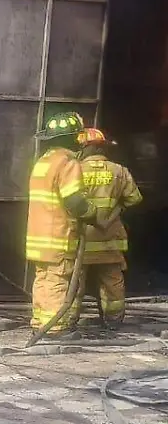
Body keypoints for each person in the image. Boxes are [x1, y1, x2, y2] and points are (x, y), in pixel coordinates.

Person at [27, 112, 97, 336]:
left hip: (37, 237)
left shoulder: (43, 162)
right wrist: (91, 213)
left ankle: (40, 321)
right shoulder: (67, 163)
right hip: (58, 235)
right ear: (74, 138)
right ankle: (55, 327)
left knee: (43, 278)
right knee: (58, 279)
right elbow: (74, 200)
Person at [76, 128, 141, 328]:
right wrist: (117, 208)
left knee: (74, 282)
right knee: (112, 281)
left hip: (80, 240)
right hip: (110, 238)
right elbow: (135, 198)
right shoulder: (119, 171)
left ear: (85, 148)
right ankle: (113, 321)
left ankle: (67, 322)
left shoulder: (74, 169)